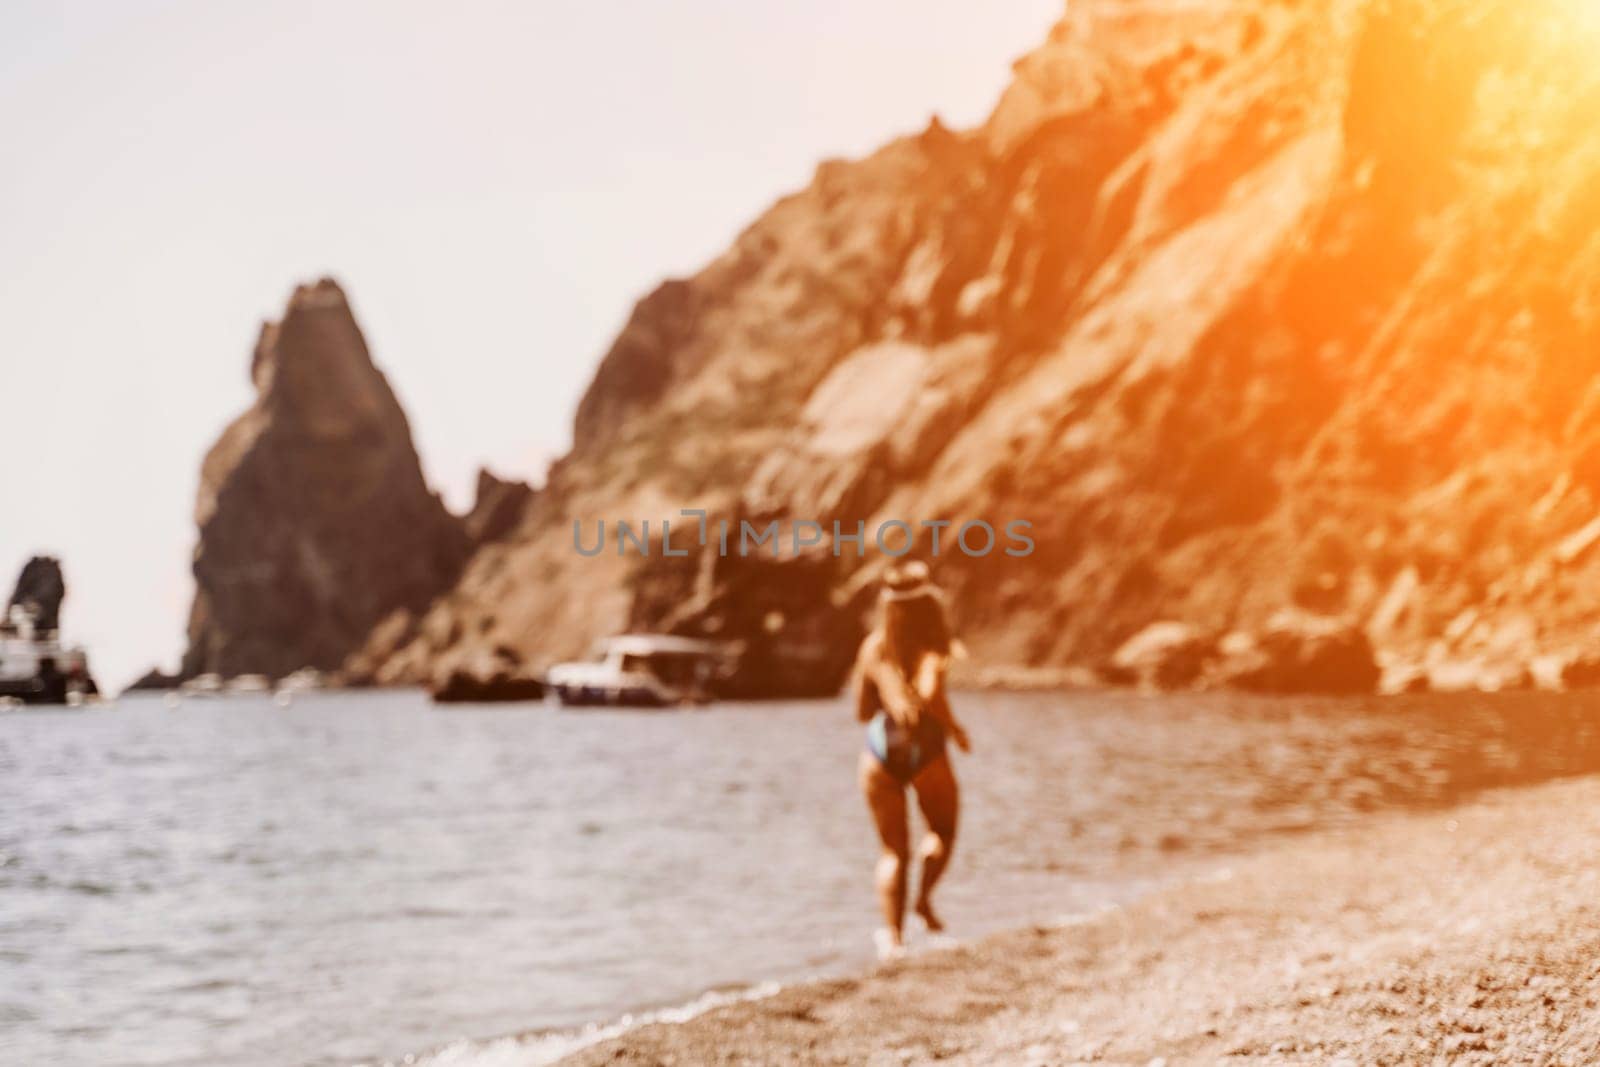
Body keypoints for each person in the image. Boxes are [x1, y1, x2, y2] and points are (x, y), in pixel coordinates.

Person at [852, 560, 970, 959]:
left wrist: (891, 696)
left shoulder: (873, 647)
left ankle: (894, 941)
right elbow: (932, 694)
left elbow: (861, 711)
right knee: (942, 830)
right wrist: (954, 728)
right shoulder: (935, 647)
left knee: (892, 852)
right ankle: (922, 901)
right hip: (925, 748)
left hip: (879, 749)